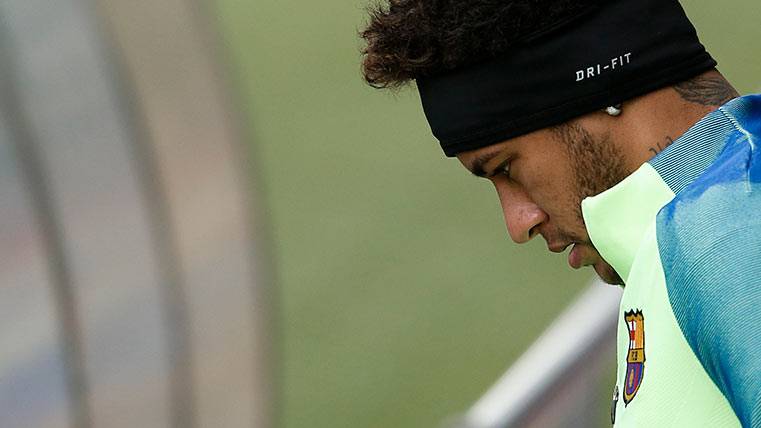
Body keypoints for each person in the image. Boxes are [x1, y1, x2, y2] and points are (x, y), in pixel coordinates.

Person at [360, 0, 761, 426]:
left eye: (505, 168)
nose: (518, 224)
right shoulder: (699, 230)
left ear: (604, 90)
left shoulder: (726, 233)